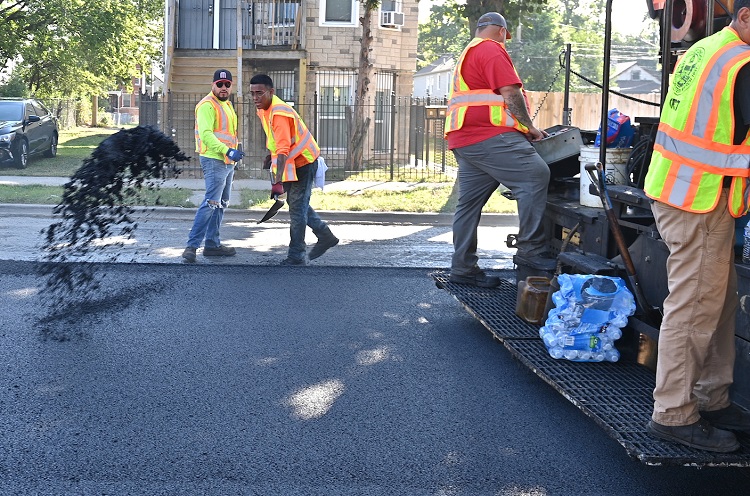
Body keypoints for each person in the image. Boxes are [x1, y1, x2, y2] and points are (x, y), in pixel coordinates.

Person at [643, 1, 750, 452]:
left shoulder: (707, 49)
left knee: (718, 299)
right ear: (745, 17)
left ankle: (711, 395)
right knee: (694, 308)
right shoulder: (741, 62)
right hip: (700, 201)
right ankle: (673, 412)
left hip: (683, 191)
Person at [445, 12, 550, 288]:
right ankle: (531, 249)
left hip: (465, 140)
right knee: (536, 175)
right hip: (490, 136)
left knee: (468, 205)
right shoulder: (491, 49)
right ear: (501, 31)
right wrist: (530, 129)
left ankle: (463, 268)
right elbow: (511, 94)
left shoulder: (469, 52)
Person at [249, 73, 338, 265]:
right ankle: (325, 234)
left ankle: (296, 255)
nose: (255, 98)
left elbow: (283, 150)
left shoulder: (279, 113)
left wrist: (278, 182)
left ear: (271, 92)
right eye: (252, 93)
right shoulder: (265, 108)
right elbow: (278, 143)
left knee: (297, 208)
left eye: (259, 93)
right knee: (297, 204)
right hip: (294, 161)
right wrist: (270, 157)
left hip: (304, 162)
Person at [182, 69, 244, 263]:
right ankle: (192, 246)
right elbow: (207, 135)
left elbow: (228, 132)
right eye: (220, 84)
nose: (223, 88)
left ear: (231, 86)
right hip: (214, 159)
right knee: (211, 203)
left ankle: (212, 244)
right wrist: (227, 150)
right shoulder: (207, 106)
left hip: (227, 161)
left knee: (221, 204)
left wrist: (236, 147)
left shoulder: (227, 105)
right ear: (213, 85)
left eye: (227, 84)